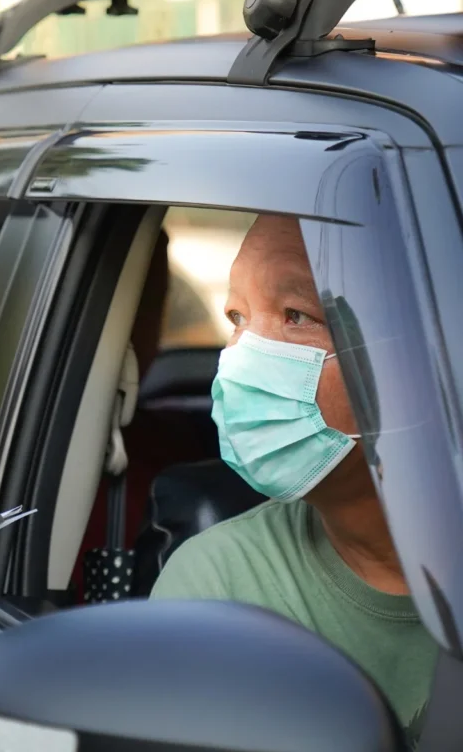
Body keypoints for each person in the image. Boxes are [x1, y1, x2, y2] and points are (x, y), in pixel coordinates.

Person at [150, 214, 438, 746]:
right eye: (236, 317)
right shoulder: (218, 589)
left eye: (296, 315)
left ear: (420, 351)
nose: (240, 360)